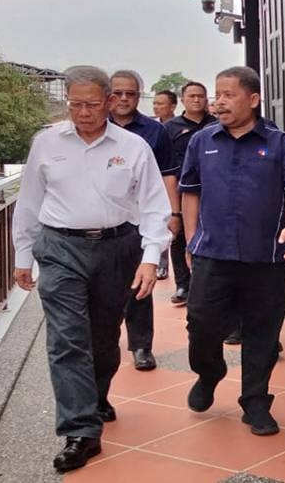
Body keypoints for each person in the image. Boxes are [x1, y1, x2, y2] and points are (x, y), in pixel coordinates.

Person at [12, 65, 170, 473]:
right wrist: (22, 256)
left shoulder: (133, 147)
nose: (83, 112)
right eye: (76, 104)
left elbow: (154, 205)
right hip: (60, 248)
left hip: (117, 248)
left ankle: (96, 396)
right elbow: (29, 200)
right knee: (67, 339)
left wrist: (151, 257)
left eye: (92, 104)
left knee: (103, 337)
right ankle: (80, 430)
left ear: (110, 101)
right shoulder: (46, 144)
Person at [180, 66, 285, 436]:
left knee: (262, 332)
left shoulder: (281, 143)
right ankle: (209, 373)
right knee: (202, 325)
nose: (218, 102)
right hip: (213, 253)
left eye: (228, 95)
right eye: (217, 94)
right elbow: (190, 189)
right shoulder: (202, 140)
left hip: (266, 257)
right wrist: (191, 238)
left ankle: (255, 401)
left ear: (253, 99)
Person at [108, 70, 181, 371]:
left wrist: (173, 214)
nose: (124, 99)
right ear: (109, 95)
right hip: (104, 220)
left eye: (131, 93)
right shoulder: (94, 127)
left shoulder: (154, 131)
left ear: (139, 96)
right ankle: (105, 345)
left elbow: (168, 174)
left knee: (139, 282)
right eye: (118, 93)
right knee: (103, 289)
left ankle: (141, 346)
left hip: (140, 220)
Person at [162, 81, 215, 305]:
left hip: (212, 190)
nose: (196, 100)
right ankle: (183, 283)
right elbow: (166, 165)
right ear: (183, 99)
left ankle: (208, 283)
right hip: (181, 189)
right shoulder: (170, 128)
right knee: (180, 235)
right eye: (191, 96)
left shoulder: (216, 124)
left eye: (201, 96)